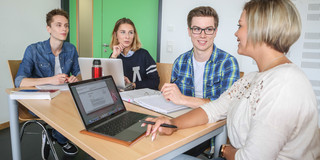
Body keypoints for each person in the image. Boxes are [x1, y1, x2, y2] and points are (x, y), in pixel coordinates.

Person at [144, 0, 320, 159]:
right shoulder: (253, 78)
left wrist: (223, 150)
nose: (236, 33)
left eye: (240, 25)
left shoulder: (284, 84)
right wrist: (173, 123)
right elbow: (215, 108)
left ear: (260, 29)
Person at [161, 6, 240, 157]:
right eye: (197, 29)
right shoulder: (180, 61)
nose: (202, 35)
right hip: (181, 123)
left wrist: (183, 99)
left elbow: (226, 108)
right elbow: (175, 101)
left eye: (208, 29)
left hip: (208, 130)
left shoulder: (228, 63)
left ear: (215, 32)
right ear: (189, 31)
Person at [15, 9, 80, 159]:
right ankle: (61, 138)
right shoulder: (33, 50)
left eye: (66, 25)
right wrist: (50, 79)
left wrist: (76, 78)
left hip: (62, 96)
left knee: (81, 103)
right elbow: (20, 81)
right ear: (49, 29)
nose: (64, 29)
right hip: (40, 99)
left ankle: (53, 134)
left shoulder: (71, 49)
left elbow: (79, 72)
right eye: (58, 25)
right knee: (67, 109)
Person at [109, 18, 160, 90]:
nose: (127, 36)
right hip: (125, 97)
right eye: (123, 32)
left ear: (134, 35)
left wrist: (132, 85)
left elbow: (155, 82)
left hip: (143, 97)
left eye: (130, 32)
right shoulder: (114, 56)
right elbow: (108, 83)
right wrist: (114, 56)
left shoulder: (144, 54)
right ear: (116, 35)